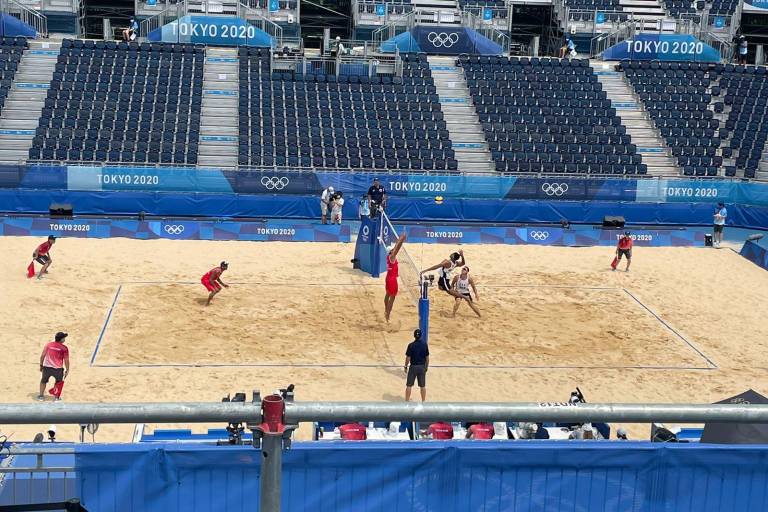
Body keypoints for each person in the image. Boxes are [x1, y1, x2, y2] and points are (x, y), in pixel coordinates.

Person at [37, 332, 70, 401]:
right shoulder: (64, 348)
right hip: (58, 369)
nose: (64, 339)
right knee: (58, 383)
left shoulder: (49, 345)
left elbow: (42, 356)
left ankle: (41, 396)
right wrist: (67, 369)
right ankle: (56, 397)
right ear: (61, 339)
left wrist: (41, 365)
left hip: (47, 368)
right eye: (64, 338)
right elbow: (66, 360)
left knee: (43, 381)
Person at [384, 233, 406, 322]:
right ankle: (387, 315)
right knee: (392, 297)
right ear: (390, 252)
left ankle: (386, 310)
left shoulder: (389, 257)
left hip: (388, 278)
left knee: (387, 295)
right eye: (392, 250)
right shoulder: (392, 256)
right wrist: (402, 239)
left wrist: (399, 239)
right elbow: (397, 247)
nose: (394, 250)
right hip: (392, 280)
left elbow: (395, 247)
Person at [404, 328, 429, 402]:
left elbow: (408, 358)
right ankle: (423, 401)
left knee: (409, 385)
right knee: (422, 386)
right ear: (421, 336)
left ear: (414, 336)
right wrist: (426, 367)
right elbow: (427, 358)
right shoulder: (424, 345)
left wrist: (405, 366)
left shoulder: (411, 345)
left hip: (413, 367)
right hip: (421, 367)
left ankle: (407, 402)